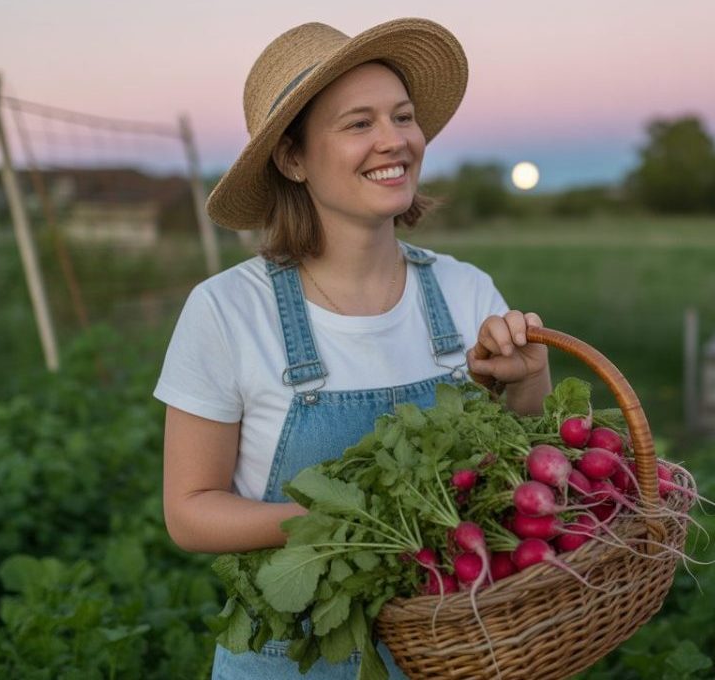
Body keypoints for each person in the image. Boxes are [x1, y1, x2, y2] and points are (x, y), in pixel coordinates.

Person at [154, 17, 552, 679]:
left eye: (402, 116)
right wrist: (354, 521)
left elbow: (519, 479)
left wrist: (528, 381)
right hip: (291, 659)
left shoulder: (465, 291)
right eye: (358, 123)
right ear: (293, 158)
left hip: (457, 653)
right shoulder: (229, 310)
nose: (394, 140)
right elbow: (189, 513)